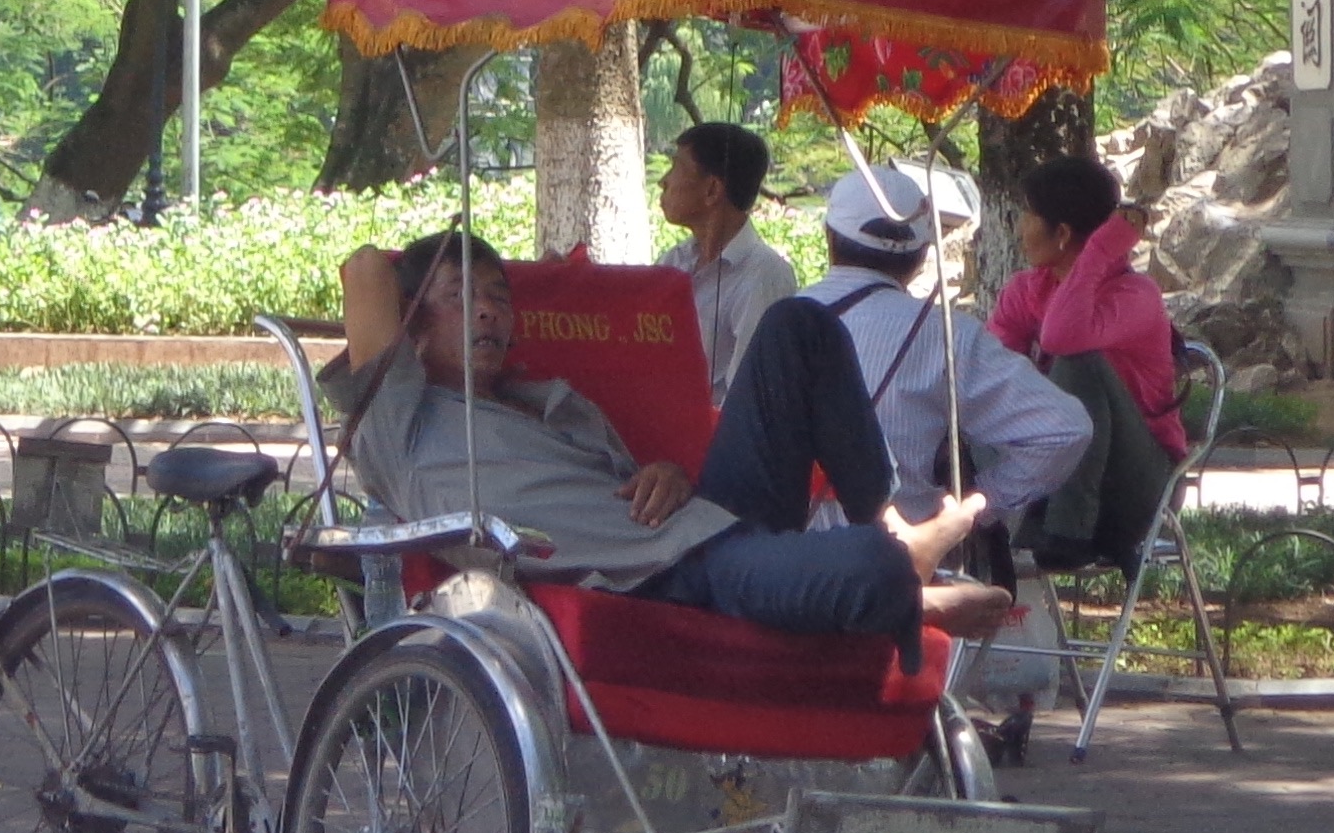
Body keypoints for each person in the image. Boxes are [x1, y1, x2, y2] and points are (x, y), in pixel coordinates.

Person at [329, 230, 1011, 643]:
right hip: (656, 576)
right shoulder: (398, 424)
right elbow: (363, 267)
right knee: (860, 566)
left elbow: (633, 488)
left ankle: (890, 530)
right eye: (459, 296)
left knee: (799, 326)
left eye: (500, 297)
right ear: (410, 325)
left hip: (699, 525)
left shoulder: (553, 401)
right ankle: (902, 586)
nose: (487, 311)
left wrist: (670, 474)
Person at [793, 164, 1092, 529]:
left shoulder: (775, 320)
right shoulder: (949, 334)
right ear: (921, 256)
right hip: (902, 552)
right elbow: (1065, 429)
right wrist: (971, 509)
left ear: (829, 238)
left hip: (777, 552)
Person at [989, 154, 1187, 573]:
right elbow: (991, 371)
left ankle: (1068, 533)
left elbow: (1063, 337)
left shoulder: (1135, 295)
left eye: (1029, 215)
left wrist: (1098, 252)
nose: (1020, 228)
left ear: (1062, 233)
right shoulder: (1025, 290)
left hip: (1136, 489)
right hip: (1049, 475)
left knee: (1077, 362)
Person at [654, 121, 796, 398]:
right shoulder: (674, 260)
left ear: (712, 190)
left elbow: (749, 397)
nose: (664, 181)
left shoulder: (765, 276)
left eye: (676, 167)